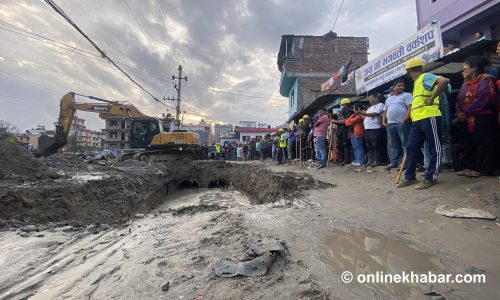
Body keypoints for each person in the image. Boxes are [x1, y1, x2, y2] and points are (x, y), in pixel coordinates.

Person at [397, 57, 450, 190]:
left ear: (409, 71)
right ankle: (410, 177)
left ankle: (431, 177)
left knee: (434, 147)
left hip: (429, 116)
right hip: (418, 120)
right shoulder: (417, 83)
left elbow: (444, 81)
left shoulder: (425, 76)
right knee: (411, 147)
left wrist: (432, 98)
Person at [455, 56, 498, 177]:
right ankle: (471, 166)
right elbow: (459, 100)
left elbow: (483, 99)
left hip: (482, 117)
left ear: (473, 69)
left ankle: (484, 169)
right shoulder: (465, 84)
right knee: (469, 143)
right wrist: (459, 112)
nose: (463, 71)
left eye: (465, 68)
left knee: (483, 143)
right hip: (466, 119)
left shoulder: (486, 81)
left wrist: (467, 112)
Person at [383, 79, 412, 169]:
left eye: (403, 86)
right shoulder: (389, 98)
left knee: (405, 144)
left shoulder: (406, 95)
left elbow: (410, 108)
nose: (401, 87)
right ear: (394, 87)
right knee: (394, 144)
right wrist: (383, 122)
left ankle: (404, 163)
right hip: (390, 124)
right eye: (399, 85)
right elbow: (385, 111)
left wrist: (404, 120)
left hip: (402, 123)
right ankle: (394, 162)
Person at [359, 93, 386, 167]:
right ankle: (370, 160)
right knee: (369, 145)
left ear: (376, 98)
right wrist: (359, 114)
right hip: (368, 129)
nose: (370, 100)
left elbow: (374, 114)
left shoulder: (380, 105)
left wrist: (363, 113)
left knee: (376, 145)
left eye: (371, 98)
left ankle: (377, 161)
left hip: (375, 128)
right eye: (369, 99)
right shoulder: (369, 108)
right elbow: (366, 117)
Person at [333, 99, 353, 166]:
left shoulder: (349, 111)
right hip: (339, 130)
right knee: (339, 145)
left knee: (345, 145)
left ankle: (347, 160)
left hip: (345, 129)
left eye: (343, 105)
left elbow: (345, 120)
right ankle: (341, 159)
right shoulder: (341, 112)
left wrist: (336, 122)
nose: (342, 107)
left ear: (346, 104)